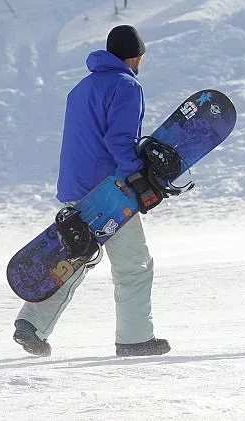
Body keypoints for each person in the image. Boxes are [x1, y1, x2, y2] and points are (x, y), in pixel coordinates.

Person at [13, 25, 171, 358]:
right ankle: (135, 339)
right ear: (136, 56)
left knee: (74, 257)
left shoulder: (81, 88)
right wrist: (138, 178)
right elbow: (119, 140)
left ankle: (31, 324)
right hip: (108, 192)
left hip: (75, 186)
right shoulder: (126, 85)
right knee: (134, 265)